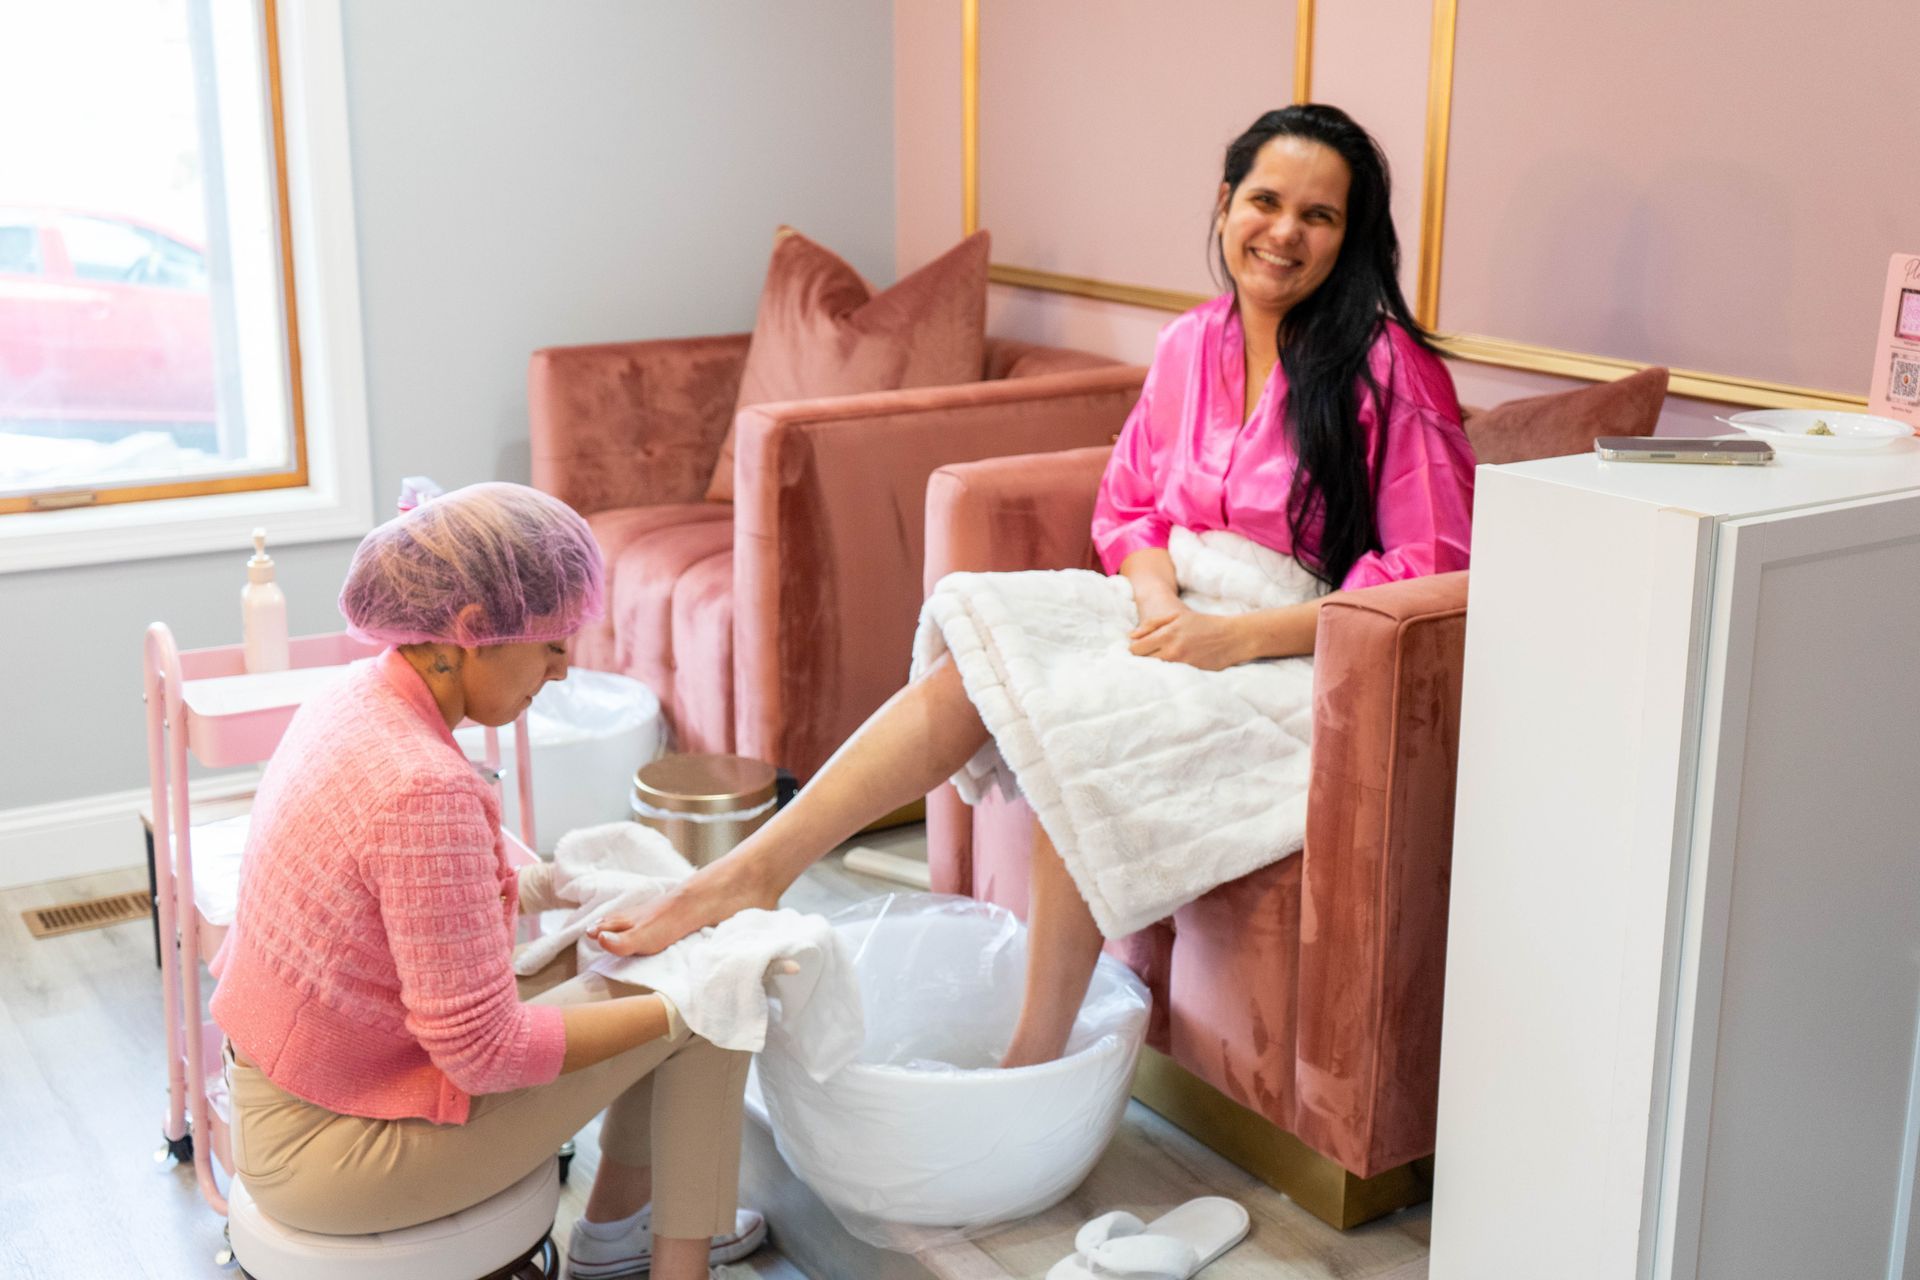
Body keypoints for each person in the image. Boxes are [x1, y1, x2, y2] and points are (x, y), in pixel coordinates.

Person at [591, 104, 1475, 1069]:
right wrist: (1159, 603)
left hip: (1298, 647)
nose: (1285, 233)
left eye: (1320, 216)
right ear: (1226, 206)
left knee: (1083, 716)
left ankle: (1033, 1058)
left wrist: (1242, 637)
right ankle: (754, 872)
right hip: (1171, 603)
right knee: (983, 634)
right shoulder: (1192, 345)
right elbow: (1129, 508)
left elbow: (1435, 564)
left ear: (1350, 239)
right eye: (1265, 201)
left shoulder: (1388, 368)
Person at [209, 483, 762, 1280]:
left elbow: (393, 905)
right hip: (332, 1154)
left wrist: (550, 888)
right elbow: (484, 1053)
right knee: (714, 995)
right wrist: (684, 1001)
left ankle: (621, 1233)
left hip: (299, 1091)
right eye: (552, 642)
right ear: (473, 634)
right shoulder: (422, 787)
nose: (565, 668)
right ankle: (664, 1258)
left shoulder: (355, 699)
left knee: (683, 956)